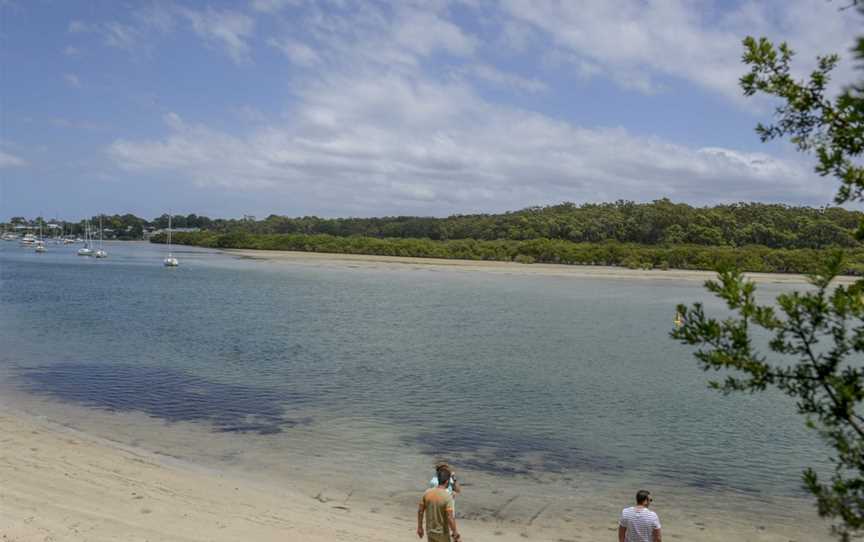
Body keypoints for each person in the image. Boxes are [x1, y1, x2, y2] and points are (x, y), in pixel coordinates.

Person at [418, 466, 461, 542]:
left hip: (430, 531)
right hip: (442, 533)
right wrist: (455, 532)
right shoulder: (447, 497)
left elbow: (420, 511)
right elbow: (450, 517)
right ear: (447, 481)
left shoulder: (427, 493)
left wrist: (420, 527)